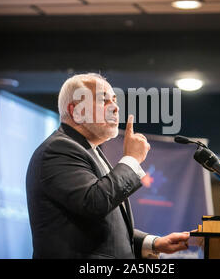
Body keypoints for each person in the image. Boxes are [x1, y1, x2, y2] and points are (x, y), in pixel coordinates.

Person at [26, 73, 190, 259]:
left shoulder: (89, 150)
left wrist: (152, 243)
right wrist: (131, 159)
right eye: (103, 101)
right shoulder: (58, 149)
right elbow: (95, 203)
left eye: (114, 100)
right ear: (75, 111)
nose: (115, 107)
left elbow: (104, 226)